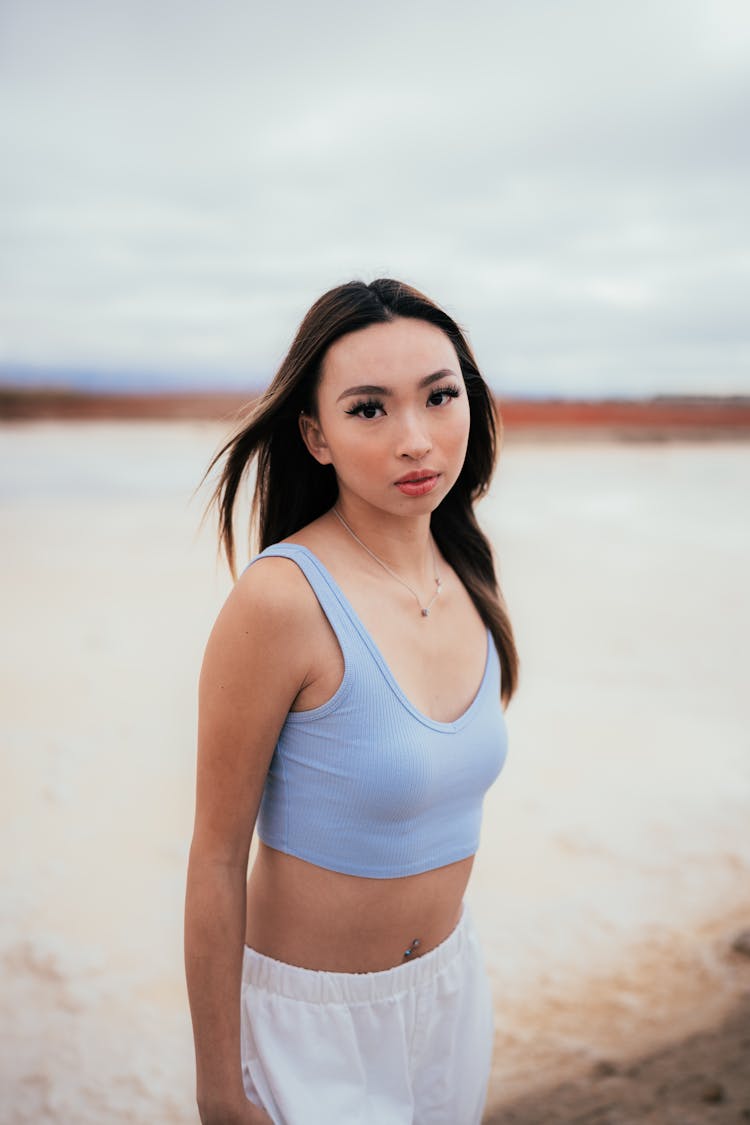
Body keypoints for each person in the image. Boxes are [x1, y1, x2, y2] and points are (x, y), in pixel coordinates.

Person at [184, 277, 519, 1125]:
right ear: (316, 434)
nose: (416, 439)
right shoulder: (282, 601)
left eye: (440, 397)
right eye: (369, 409)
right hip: (313, 1028)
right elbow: (217, 857)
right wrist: (223, 1089)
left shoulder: (467, 574)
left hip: (448, 989)